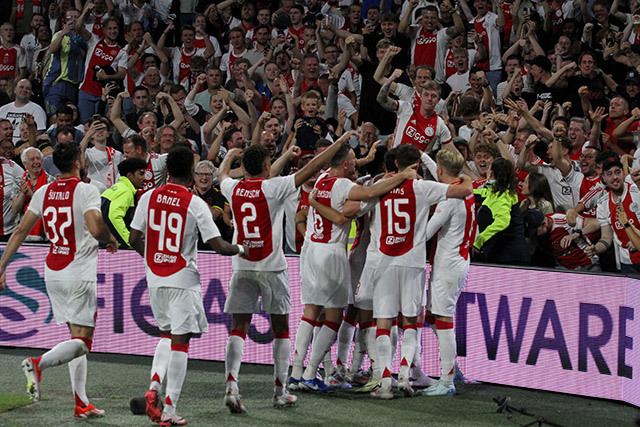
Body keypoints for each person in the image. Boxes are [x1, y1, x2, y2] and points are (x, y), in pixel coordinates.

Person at [219, 131, 357, 413]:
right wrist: (339, 142)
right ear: (267, 165)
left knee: (238, 327)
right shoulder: (275, 187)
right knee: (281, 329)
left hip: (242, 266)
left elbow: (221, 174)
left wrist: (230, 156)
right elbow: (313, 166)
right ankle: (280, 392)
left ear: (243, 167)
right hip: (272, 268)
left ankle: (232, 387)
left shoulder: (232, 188)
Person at [0, 141, 118, 418]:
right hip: (78, 272)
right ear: (78, 163)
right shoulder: (86, 189)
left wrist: (2, 266)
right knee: (83, 342)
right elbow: (95, 227)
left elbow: (20, 230)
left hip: (54, 271)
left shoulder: (44, 191)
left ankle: (81, 402)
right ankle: (37, 364)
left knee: (74, 340)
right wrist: (110, 239)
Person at [129, 146, 243, 427]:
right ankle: (169, 409)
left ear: (168, 170)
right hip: (182, 278)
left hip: (155, 278)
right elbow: (219, 246)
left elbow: (133, 238)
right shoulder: (195, 203)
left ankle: (154, 386)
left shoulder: (148, 196)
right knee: (180, 343)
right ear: (191, 172)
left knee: (166, 335)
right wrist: (242, 248)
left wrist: (153, 260)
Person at [290, 143, 419, 392]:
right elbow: (364, 198)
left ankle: (297, 372)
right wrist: (402, 176)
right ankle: (312, 372)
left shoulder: (322, 179)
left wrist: (315, 203)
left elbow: (347, 180)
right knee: (336, 316)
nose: (355, 163)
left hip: (311, 250)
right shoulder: (345, 186)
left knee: (310, 313)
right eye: (353, 160)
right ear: (345, 165)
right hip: (334, 253)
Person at [422, 148, 476, 396]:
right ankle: (453, 370)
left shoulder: (450, 199)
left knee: (443, 320)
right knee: (433, 317)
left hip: (449, 264)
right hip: (457, 259)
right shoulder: (464, 188)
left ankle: (446, 380)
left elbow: (426, 233)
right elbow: (442, 174)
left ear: (441, 170)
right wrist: (422, 155)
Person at [473, 157, 529, 265]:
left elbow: (502, 221)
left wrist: (479, 241)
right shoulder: (502, 190)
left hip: (509, 258)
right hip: (505, 255)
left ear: (491, 173)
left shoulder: (502, 197)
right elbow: (483, 194)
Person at [100, 157, 147, 248]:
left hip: (104, 244)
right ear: (129, 175)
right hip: (114, 247)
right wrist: (130, 241)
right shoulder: (126, 191)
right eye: (141, 174)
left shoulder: (117, 188)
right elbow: (115, 216)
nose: (144, 178)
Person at [11, 147, 53, 241]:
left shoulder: (51, 181)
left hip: (46, 235)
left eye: (38, 158)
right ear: (25, 164)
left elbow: (49, 208)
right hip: (23, 234)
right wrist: (22, 194)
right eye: (32, 159)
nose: (36, 162)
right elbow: (15, 209)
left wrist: (31, 194)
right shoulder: (19, 181)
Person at [0, 79, 47, 144]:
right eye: (21, 87)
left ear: (31, 92)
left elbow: (39, 134)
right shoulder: (2, 109)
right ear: (15, 89)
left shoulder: (37, 110)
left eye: (28, 88)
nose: (24, 90)